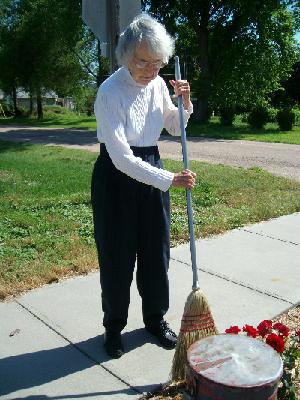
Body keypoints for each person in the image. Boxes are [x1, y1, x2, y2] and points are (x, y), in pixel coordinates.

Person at [91, 13, 196, 359]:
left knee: (156, 252)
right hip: (116, 177)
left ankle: (155, 318)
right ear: (125, 55)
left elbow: (173, 127)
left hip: (150, 166)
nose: (150, 70)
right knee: (117, 257)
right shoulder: (110, 91)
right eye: (142, 61)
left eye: (157, 62)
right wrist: (169, 179)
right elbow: (120, 159)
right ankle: (113, 328)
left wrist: (183, 103)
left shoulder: (155, 85)